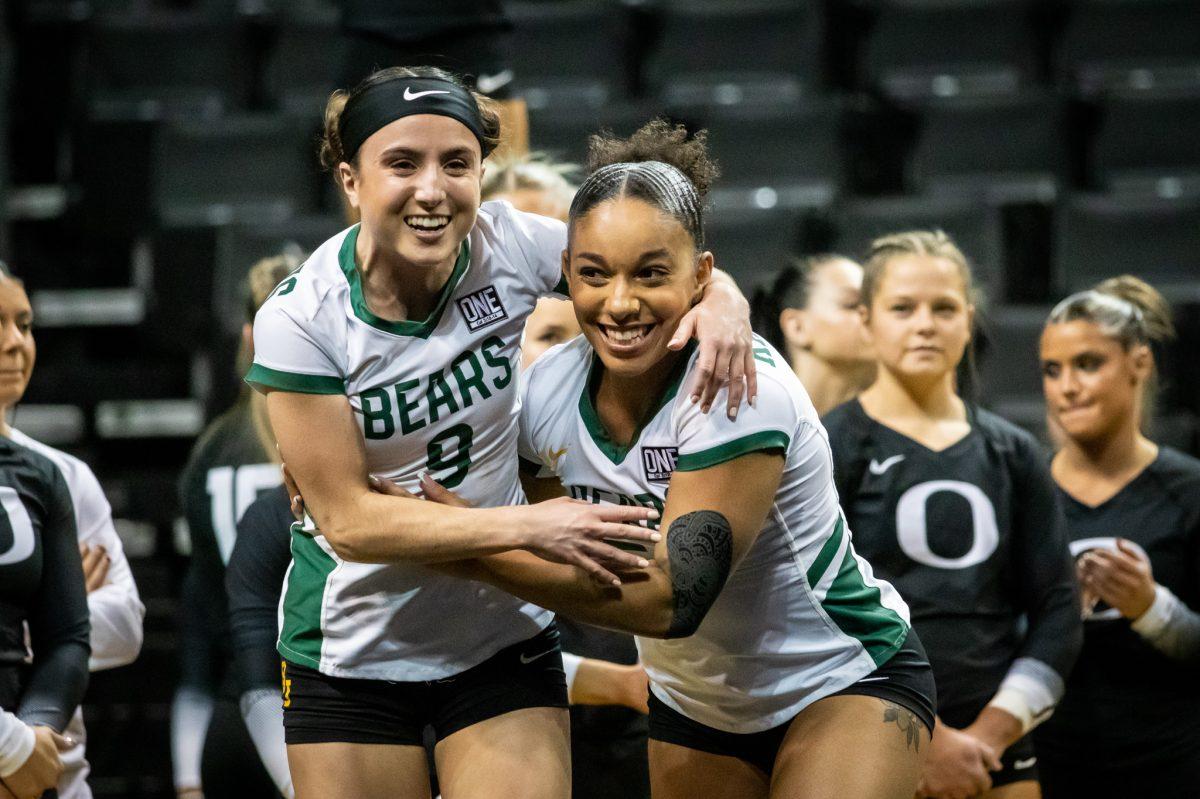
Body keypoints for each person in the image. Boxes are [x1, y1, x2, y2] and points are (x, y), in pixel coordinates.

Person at [364, 119, 936, 799]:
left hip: (840, 675)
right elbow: (554, 552)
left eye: (651, 274)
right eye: (594, 275)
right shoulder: (547, 392)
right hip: (693, 702)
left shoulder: (735, 388)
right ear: (564, 276)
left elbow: (672, 600)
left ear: (701, 275)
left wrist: (461, 549)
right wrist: (345, 462)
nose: (621, 302)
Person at [249, 66, 753, 799]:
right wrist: (524, 527)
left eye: (456, 164)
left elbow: (650, 262)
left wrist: (726, 298)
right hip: (350, 643)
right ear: (351, 181)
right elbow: (351, 522)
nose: (433, 189)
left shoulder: (508, 243)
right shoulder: (301, 319)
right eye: (402, 163)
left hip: (500, 637)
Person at [822, 231, 1082, 799]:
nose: (925, 324)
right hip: (868, 725)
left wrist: (987, 738)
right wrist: (929, 741)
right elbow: (813, 603)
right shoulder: (828, 445)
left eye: (944, 308)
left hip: (993, 746)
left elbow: (1059, 609)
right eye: (902, 308)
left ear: (968, 320)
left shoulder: (1012, 452)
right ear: (866, 321)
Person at [481, 151, 647, 798]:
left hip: (636, 728)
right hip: (505, 725)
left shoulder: (643, 421)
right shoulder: (457, 443)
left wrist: (724, 303)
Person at [1034, 276, 1200, 799]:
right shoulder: (1021, 491)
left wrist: (1151, 608)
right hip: (1048, 766)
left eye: (1088, 364)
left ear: (1140, 364)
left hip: (1171, 763)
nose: (1068, 387)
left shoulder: (1189, 490)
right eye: (1052, 370)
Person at [171, 255, 297, 799]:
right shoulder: (344, 436)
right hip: (314, 703)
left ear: (248, 335)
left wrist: (186, 777)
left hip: (234, 703)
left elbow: (200, 612)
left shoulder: (209, 453)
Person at [5, 332, 145, 799]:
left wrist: (38, 618)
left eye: (24, 324)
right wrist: (49, 604)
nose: (14, 343)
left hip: (56, 769)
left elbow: (125, 625)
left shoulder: (57, 474)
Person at [0, 264, 90, 799]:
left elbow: (67, 640)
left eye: (25, 325)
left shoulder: (41, 476)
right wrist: (10, 746)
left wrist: (37, 735)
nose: (15, 344)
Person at [752, 254, 875, 415]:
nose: (872, 316)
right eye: (852, 305)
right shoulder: (759, 421)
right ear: (797, 327)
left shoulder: (898, 426)